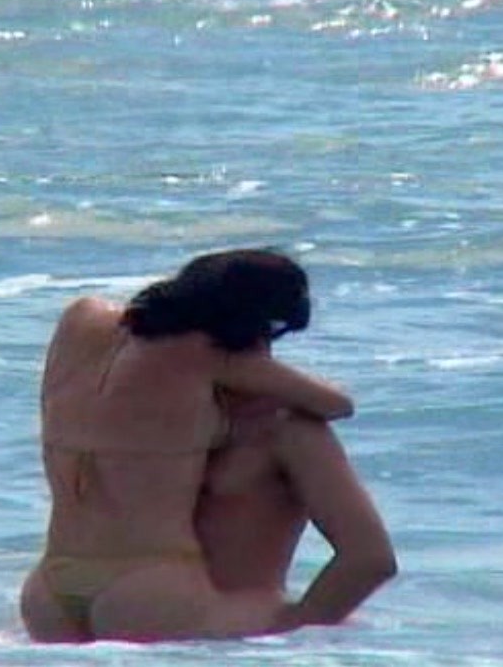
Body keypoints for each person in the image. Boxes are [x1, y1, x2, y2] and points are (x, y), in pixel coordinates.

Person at [19, 249, 358, 642]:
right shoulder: (208, 355)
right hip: (148, 586)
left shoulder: (78, 320)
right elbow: (337, 404)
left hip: (47, 592)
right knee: (322, 624)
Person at [197, 386, 396, 630]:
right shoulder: (163, 427)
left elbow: (369, 559)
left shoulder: (285, 429)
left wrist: (296, 626)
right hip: (172, 640)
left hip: (239, 637)